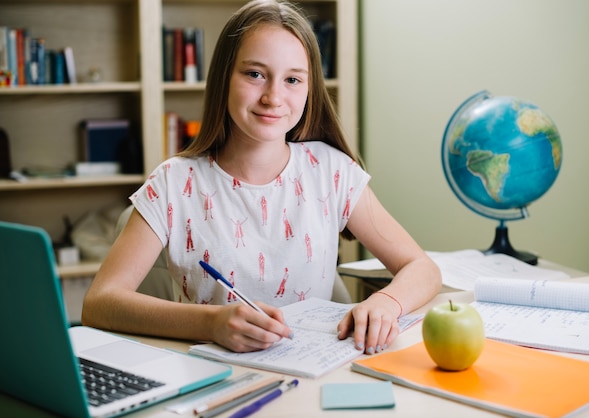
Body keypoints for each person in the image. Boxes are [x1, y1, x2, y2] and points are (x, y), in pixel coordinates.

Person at [82, 0, 441, 355]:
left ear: (309, 88)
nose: (273, 97)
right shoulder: (174, 183)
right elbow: (99, 303)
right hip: (215, 382)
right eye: (254, 74)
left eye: (292, 80)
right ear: (224, 77)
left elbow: (421, 268)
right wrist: (210, 323)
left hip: (311, 377)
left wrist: (387, 302)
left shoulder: (332, 173)